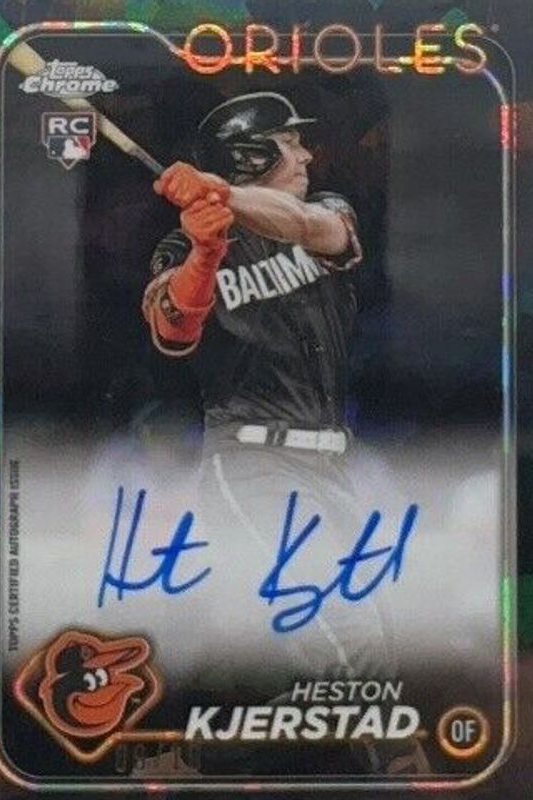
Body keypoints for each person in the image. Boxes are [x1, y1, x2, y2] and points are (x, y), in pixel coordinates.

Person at [141, 92, 427, 774]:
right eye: (289, 142)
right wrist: (206, 252)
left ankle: (195, 760)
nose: (305, 154)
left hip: (329, 461)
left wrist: (221, 195)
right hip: (250, 460)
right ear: (250, 154)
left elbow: (311, 228)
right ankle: (401, 761)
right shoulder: (183, 243)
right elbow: (171, 328)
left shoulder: (325, 210)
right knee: (342, 623)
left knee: (285, 649)